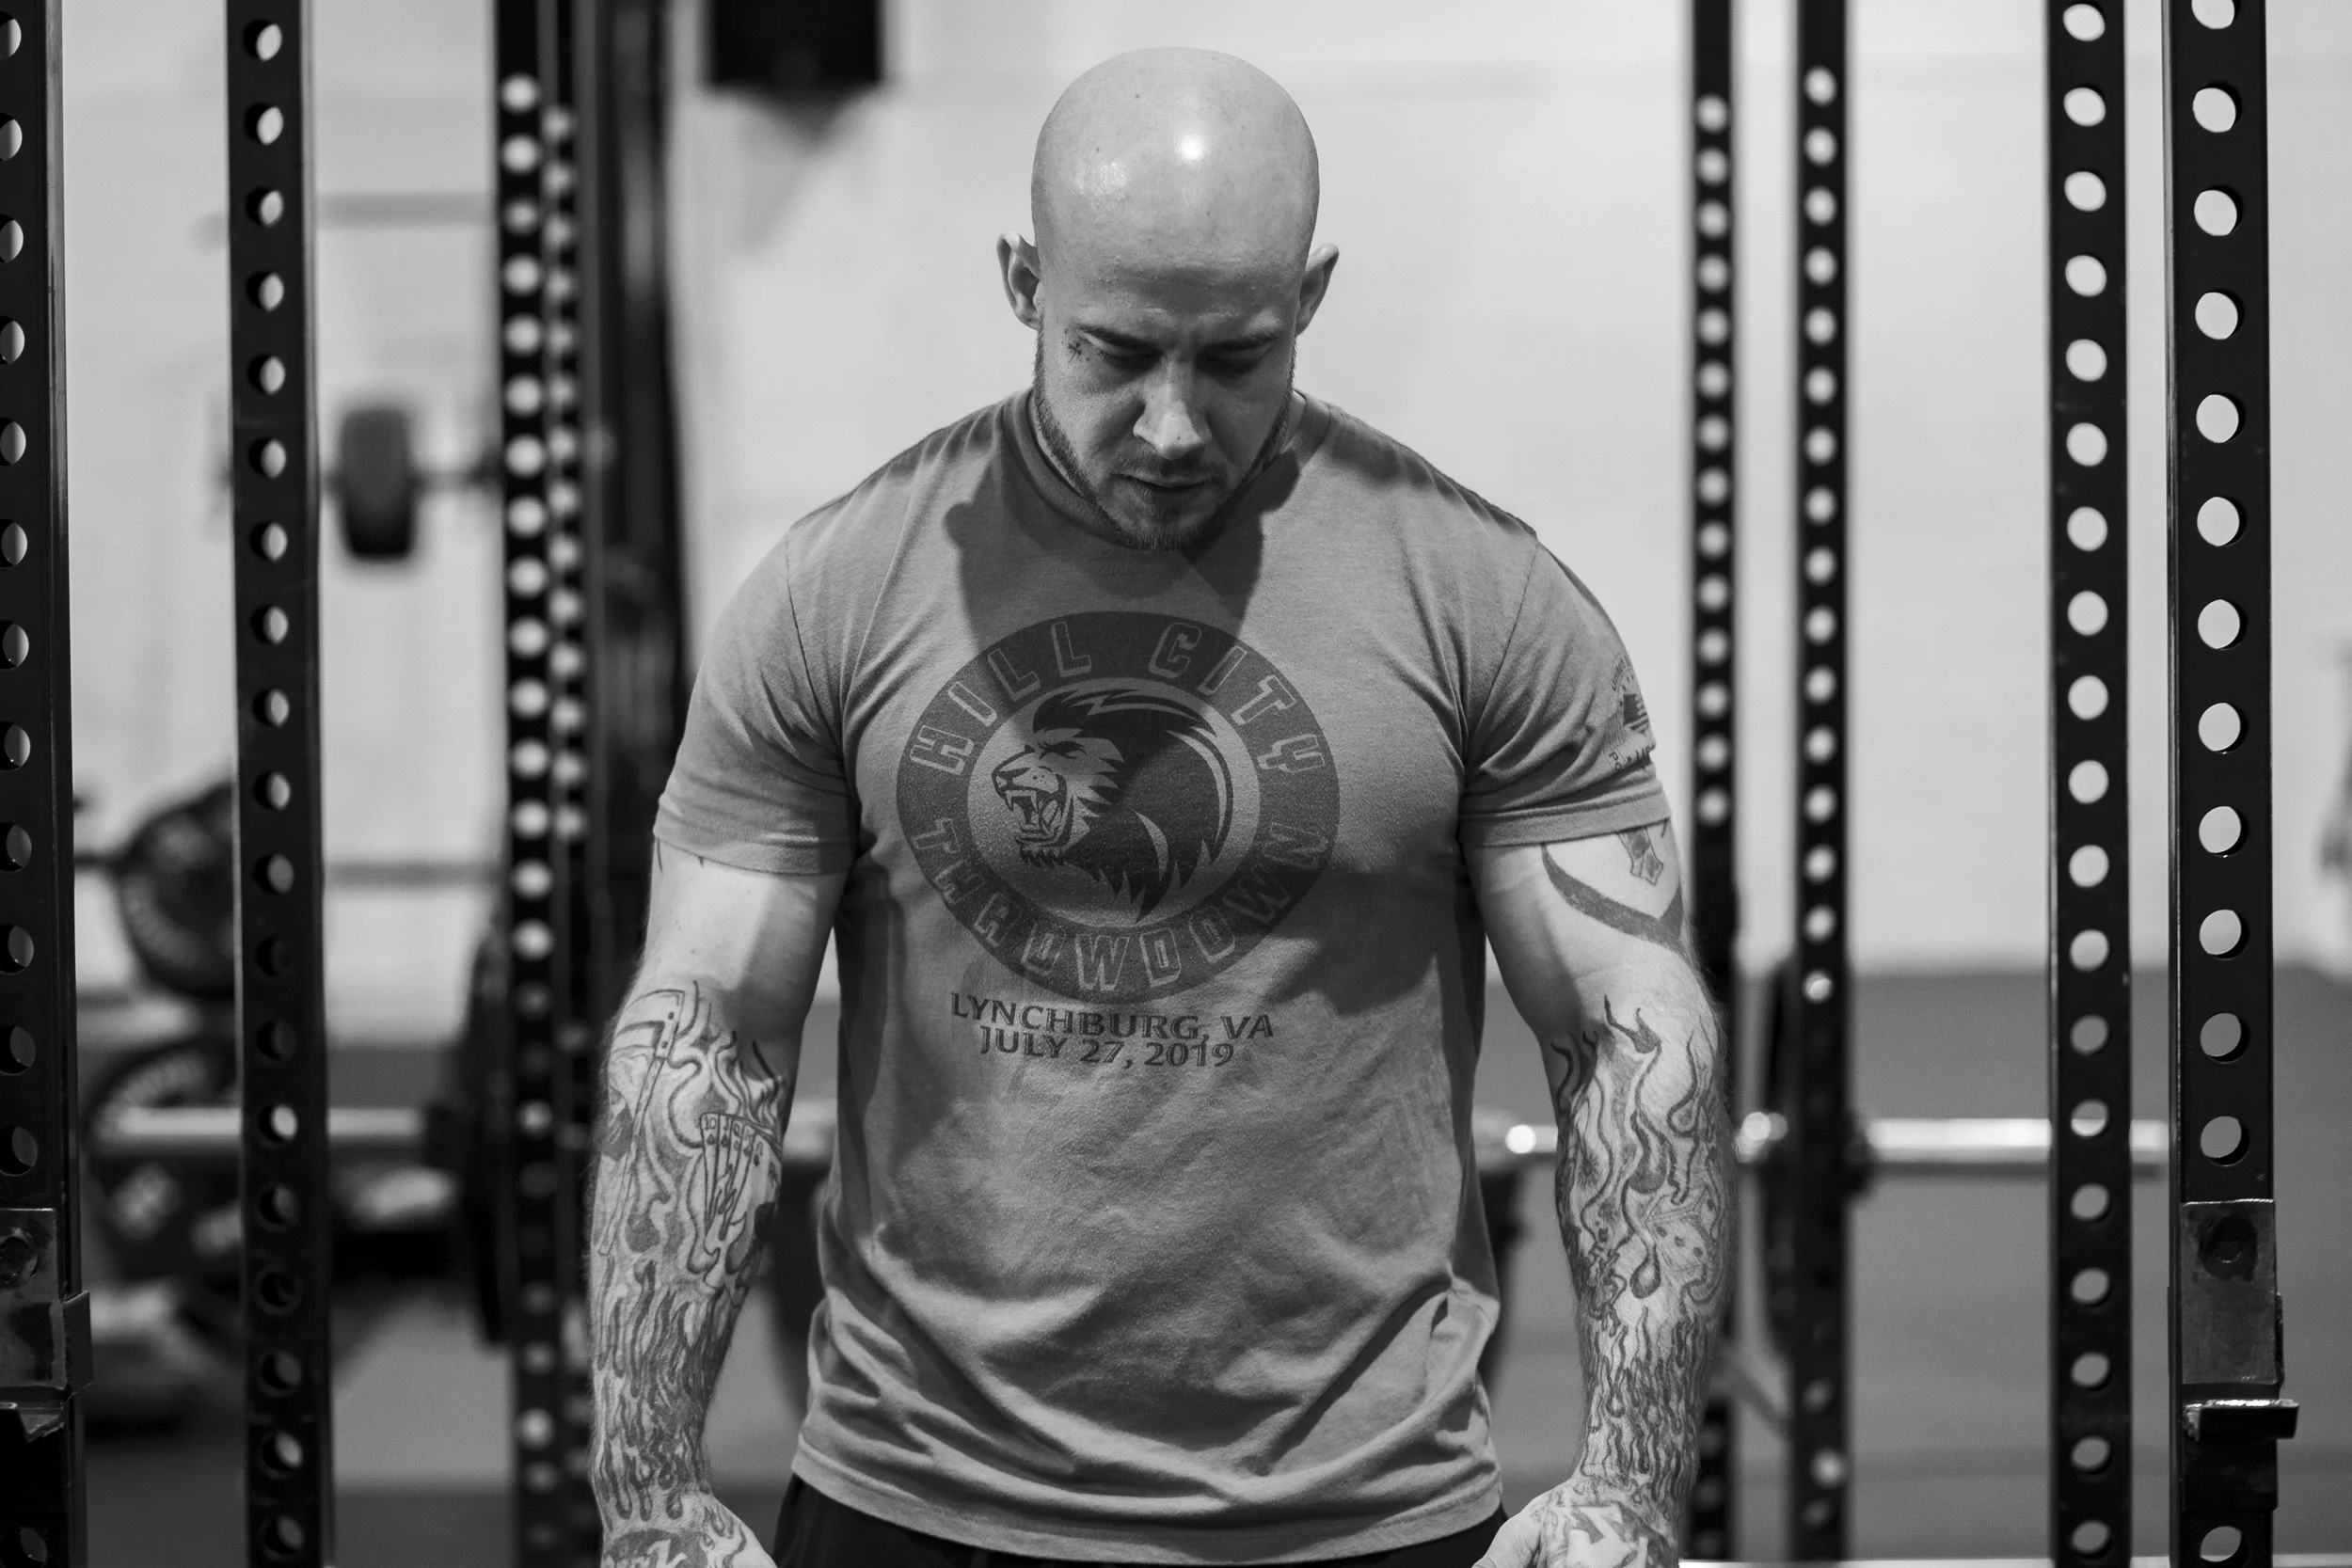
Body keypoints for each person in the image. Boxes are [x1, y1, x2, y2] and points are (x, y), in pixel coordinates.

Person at [587, 46, 1730, 1568]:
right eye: (1116, 352)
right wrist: (649, 1491)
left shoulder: (1481, 595)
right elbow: (712, 1029)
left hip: (1361, 1512)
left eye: (1237, 357)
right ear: (1022, 283)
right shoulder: (840, 588)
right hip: (918, 1497)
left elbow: (1627, 1024)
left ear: (1311, 296)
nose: (1176, 423)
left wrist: (1635, 1480)